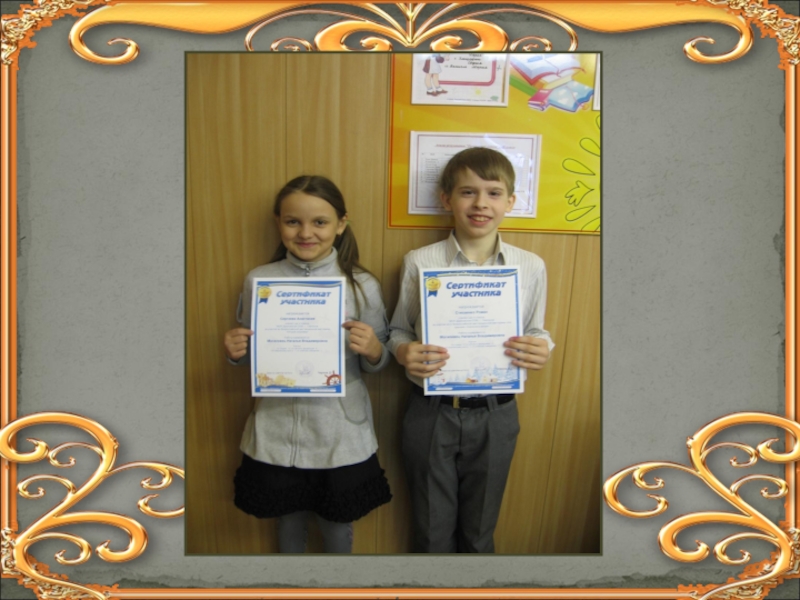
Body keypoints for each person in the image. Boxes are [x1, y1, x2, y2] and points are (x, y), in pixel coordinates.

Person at [387, 147, 554, 553]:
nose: (481, 203)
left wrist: (543, 347)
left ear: (510, 202)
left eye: (494, 193)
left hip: (497, 412)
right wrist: (403, 352)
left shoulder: (530, 266)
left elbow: (536, 330)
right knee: (431, 533)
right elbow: (398, 330)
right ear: (446, 199)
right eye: (468, 192)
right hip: (431, 412)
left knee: (479, 535)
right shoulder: (419, 261)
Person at [224, 175, 392, 553]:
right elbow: (255, 355)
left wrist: (373, 351)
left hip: (339, 433)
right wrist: (236, 353)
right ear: (278, 223)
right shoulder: (260, 281)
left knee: (337, 527)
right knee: (288, 522)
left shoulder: (361, 285)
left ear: (341, 224)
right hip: (277, 429)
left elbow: (381, 359)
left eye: (320, 222)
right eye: (292, 221)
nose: (305, 233)